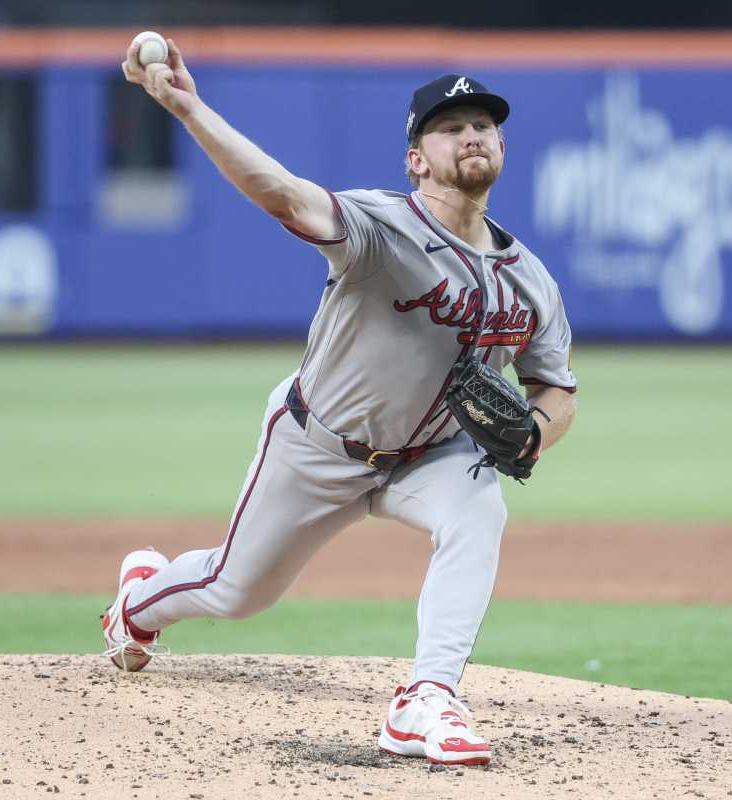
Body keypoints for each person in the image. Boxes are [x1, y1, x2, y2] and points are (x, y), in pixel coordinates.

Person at [101, 38, 578, 767]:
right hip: (319, 446)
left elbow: (555, 388)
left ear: (503, 147)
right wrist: (188, 108)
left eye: (483, 125)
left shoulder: (531, 280)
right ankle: (139, 602)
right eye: (450, 127)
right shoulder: (380, 227)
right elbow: (283, 194)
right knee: (236, 591)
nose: (471, 135)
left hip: (432, 457)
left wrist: (536, 433)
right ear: (416, 158)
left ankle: (428, 698)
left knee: (481, 507)